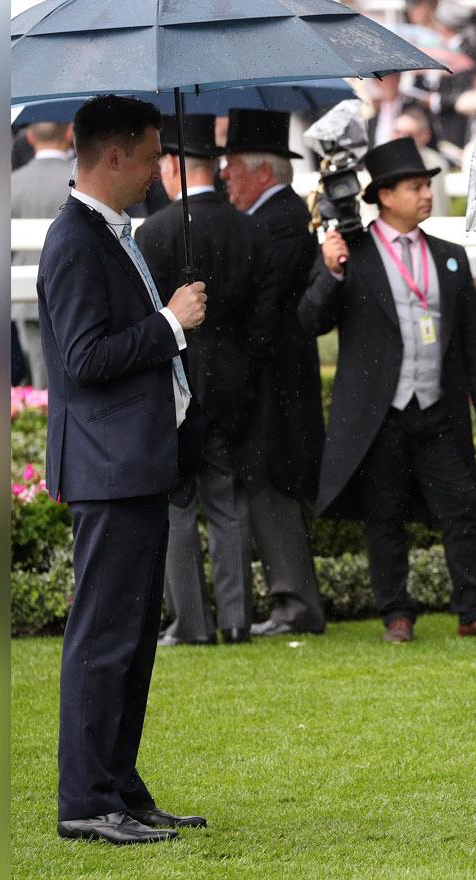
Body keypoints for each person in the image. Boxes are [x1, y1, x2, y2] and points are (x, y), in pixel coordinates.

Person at [39, 94, 209, 844]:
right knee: (105, 638)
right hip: (108, 469)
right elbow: (82, 361)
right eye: (148, 155)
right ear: (114, 156)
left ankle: (119, 787)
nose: (155, 171)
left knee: (132, 638)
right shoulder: (75, 239)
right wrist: (170, 323)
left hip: (132, 465)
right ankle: (84, 801)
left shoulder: (110, 233)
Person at [299, 137, 476, 643]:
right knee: (384, 517)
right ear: (384, 196)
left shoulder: (448, 256)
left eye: (428, 185)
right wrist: (331, 273)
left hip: (439, 408)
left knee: (462, 510)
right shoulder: (349, 254)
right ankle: (396, 615)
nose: (427, 195)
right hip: (380, 413)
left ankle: (474, 610)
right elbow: (311, 321)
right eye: (415, 187)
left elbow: (471, 338)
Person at [135, 115, 277, 647]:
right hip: (233, 386)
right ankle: (236, 621)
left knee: (176, 505)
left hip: (175, 386)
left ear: (173, 167)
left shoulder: (153, 233)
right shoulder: (250, 228)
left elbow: (145, 322)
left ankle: (191, 624)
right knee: (228, 502)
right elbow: (265, 324)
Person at [220, 108, 330, 639]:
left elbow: (259, 295)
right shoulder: (275, 216)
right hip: (275, 383)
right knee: (266, 487)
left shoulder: (280, 220)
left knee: (274, 489)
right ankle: (290, 600)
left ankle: (297, 604)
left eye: (232, 169)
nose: (225, 179)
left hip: (277, 385)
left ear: (262, 172)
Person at [11, 120, 75, 388]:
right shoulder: (80, 181)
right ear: (70, 132)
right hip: (76, 296)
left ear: (30, 138)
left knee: (42, 386)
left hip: (27, 301)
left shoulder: (11, 183)